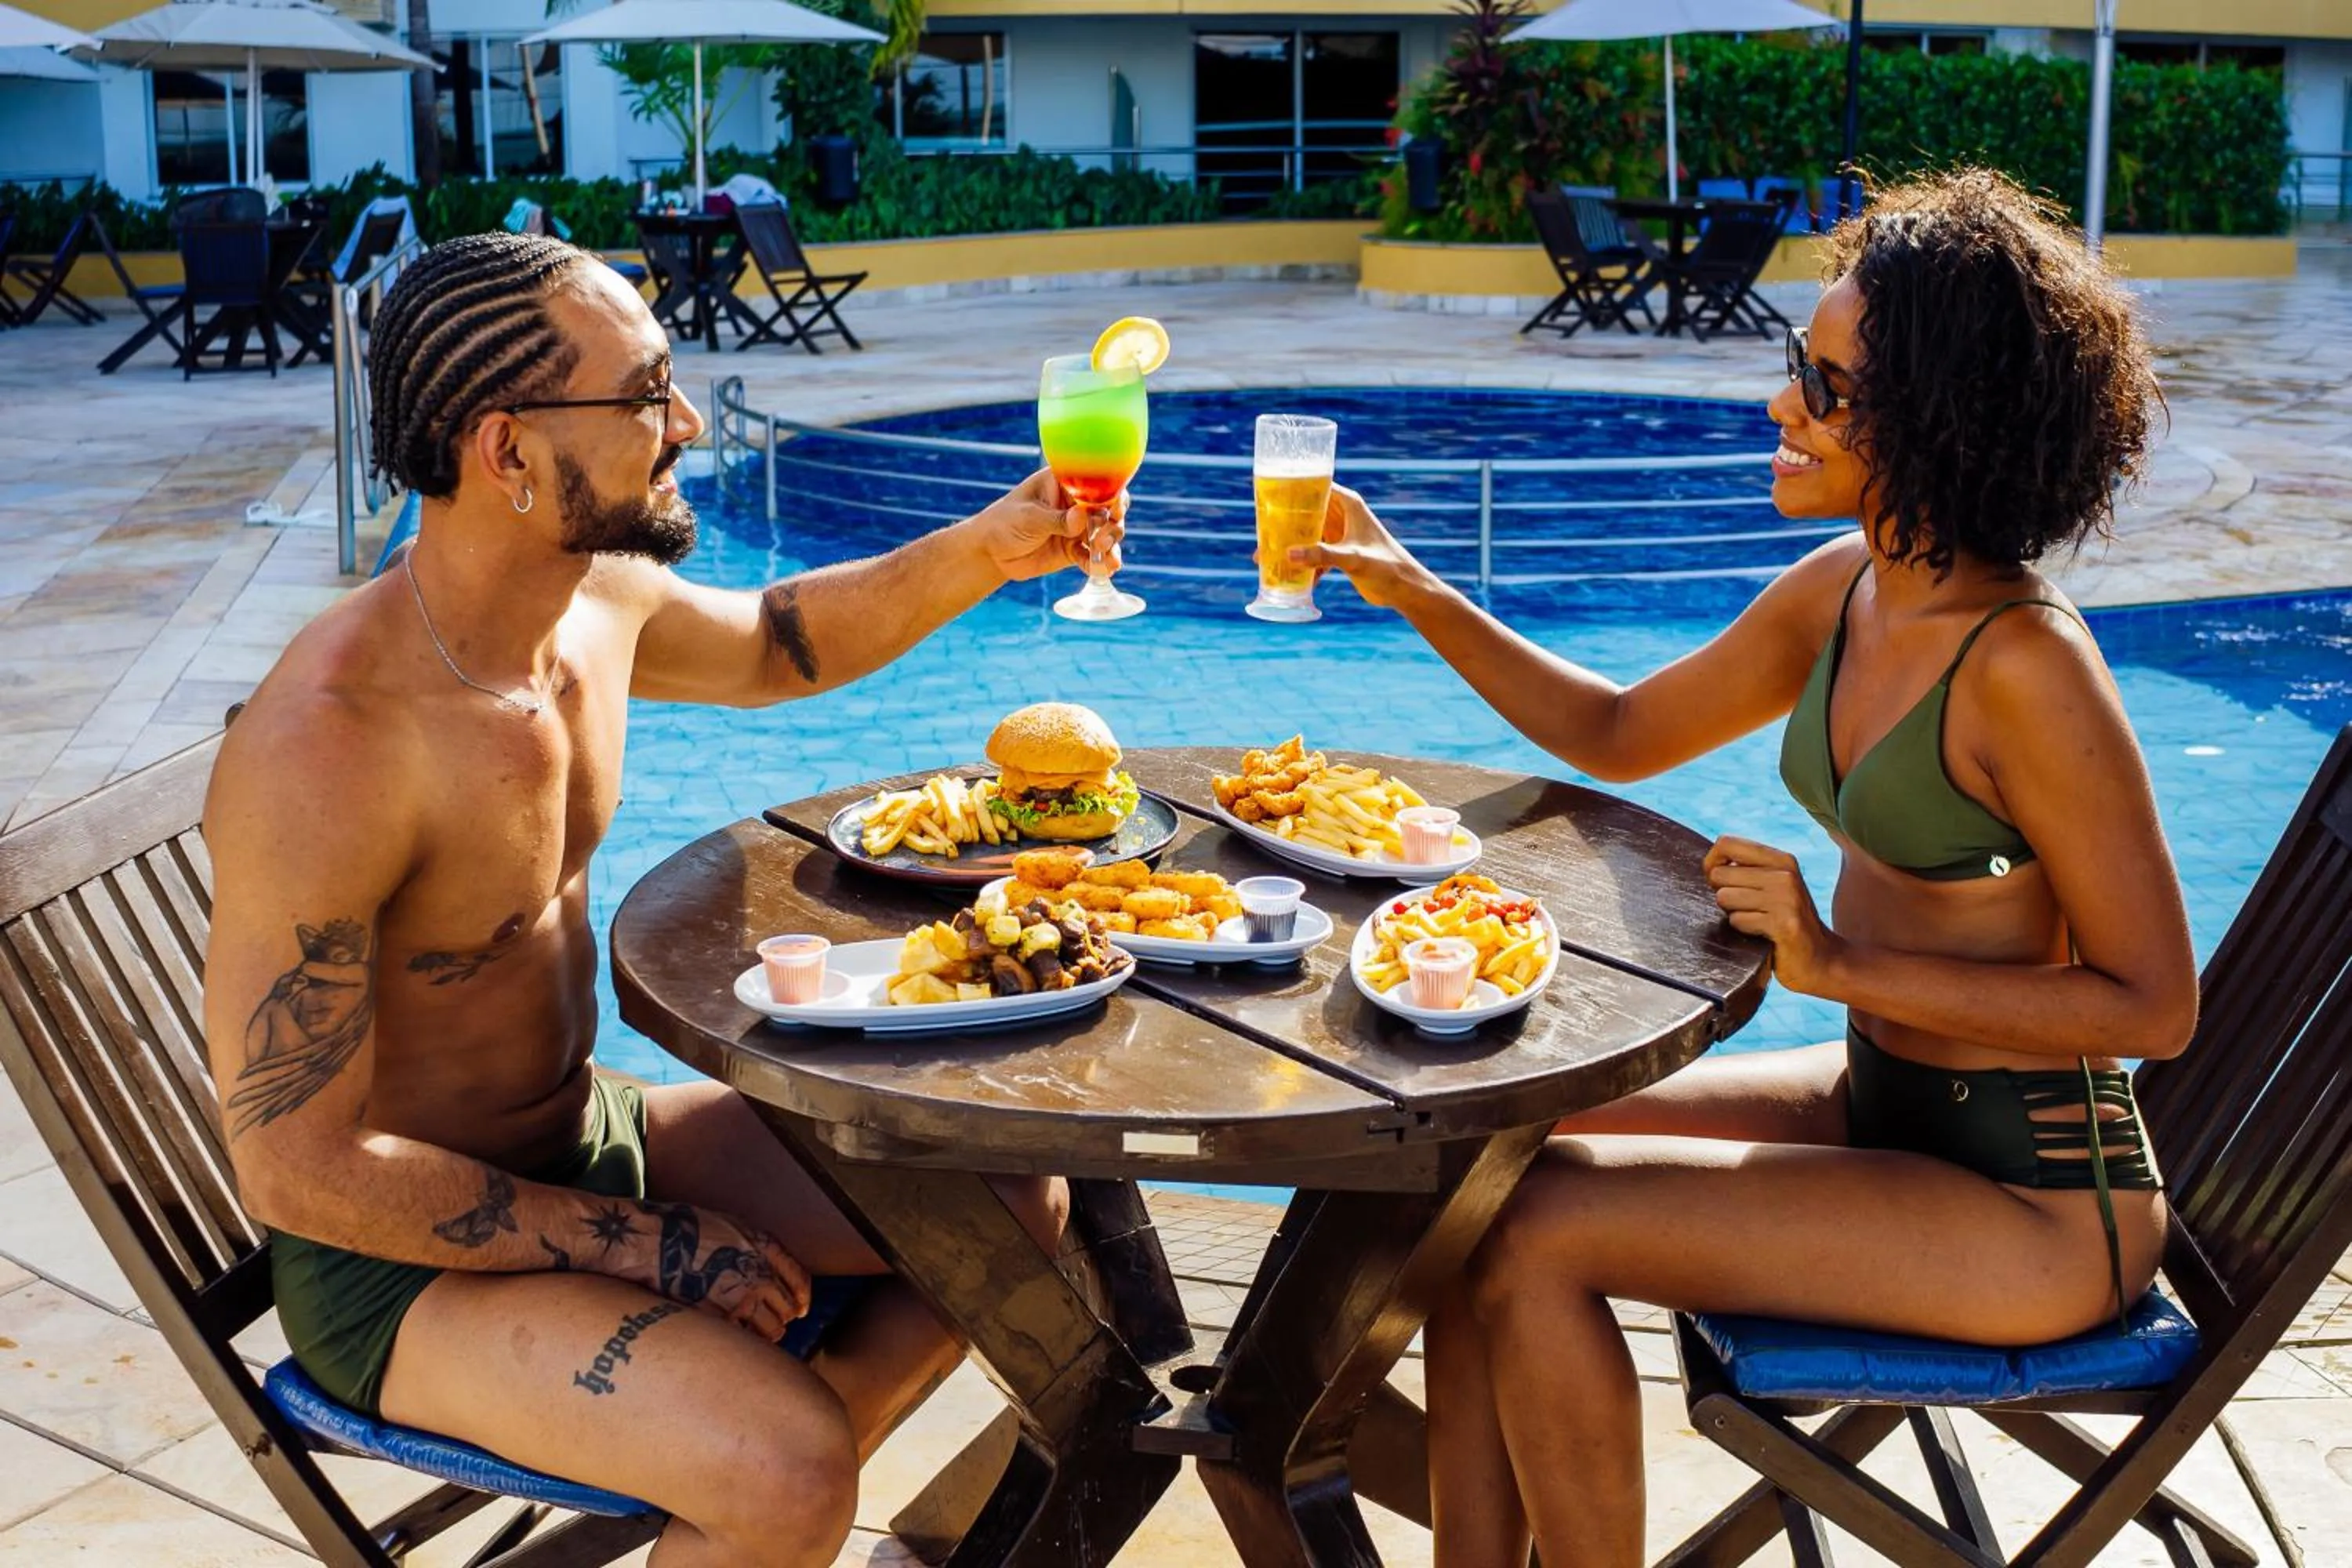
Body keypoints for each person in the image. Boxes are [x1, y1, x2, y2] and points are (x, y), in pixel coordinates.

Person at [1293, 169, 2196, 1568]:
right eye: (1801, 366)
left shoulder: (2029, 670)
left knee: (1540, 1238)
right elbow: (1617, 730)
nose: (1786, 405)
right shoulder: (1848, 588)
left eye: (1827, 389)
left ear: (1940, 423)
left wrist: (1835, 965)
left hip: (2037, 1204)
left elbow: (2156, 1007)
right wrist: (1416, 587)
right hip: (1886, 1108)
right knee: (1473, 1184)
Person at [202, 230, 1109, 1567]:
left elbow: (781, 642)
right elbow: (296, 1165)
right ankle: (772, 1491)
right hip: (400, 1264)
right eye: (644, 395)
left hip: (585, 1136)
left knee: (1004, 1208)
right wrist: (641, 1245)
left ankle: (749, 1502)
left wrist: (991, 547)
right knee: (788, 1468)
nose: (684, 421)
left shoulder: (593, 602)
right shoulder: (333, 744)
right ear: (505, 450)